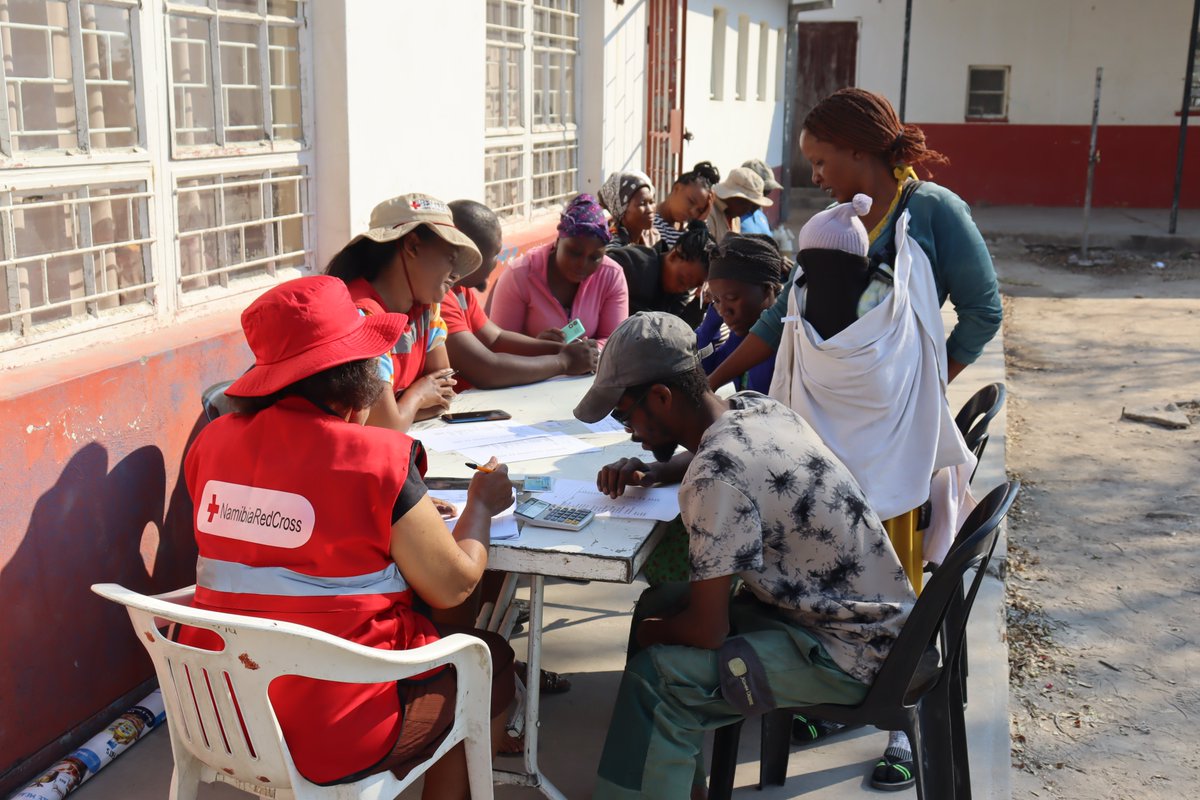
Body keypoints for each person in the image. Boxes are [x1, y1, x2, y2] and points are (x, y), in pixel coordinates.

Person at [708, 86, 1000, 789]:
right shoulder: (837, 221)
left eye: (821, 159)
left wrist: (924, 389)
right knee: (828, 573)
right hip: (831, 438)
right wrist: (709, 376)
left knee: (892, 581)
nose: (814, 175)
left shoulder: (932, 212)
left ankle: (899, 726)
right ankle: (833, 686)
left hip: (893, 441)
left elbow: (982, 312)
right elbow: (785, 314)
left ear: (860, 151)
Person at [179, 276, 517, 799]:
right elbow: (454, 585)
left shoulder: (210, 444)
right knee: (487, 659)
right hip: (335, 730)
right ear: (358, 374)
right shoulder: (378, 459)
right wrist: (480, 505)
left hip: (220, 713)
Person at [573, 312, 916, 800]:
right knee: (658, 606)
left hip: (854, 654)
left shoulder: (715, 480)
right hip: (877, 619)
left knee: (659, 676)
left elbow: (706, 631)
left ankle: (647, 775)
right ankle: (668, 782)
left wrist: (655, 636)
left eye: (624, 416)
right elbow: (710, 454)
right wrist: (654, 469)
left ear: (663, 397)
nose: (627, 431)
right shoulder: (756, 409)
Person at [325, 193, 483, 432]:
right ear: (412, 246)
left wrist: (402, 410)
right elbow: (388, 425)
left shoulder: (427, 309)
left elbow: (443, 398)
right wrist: (419, 394)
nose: (455, 275)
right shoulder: (361, 316)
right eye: (450, 259)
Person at [440, 200, 599, 391]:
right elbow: (486, 369)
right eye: (494, 255)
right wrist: (563, 361)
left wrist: (560, 350)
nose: (495, 263)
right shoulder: (441, 298)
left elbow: (496, 338)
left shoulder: (460, 289)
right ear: (470, 254)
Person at [488, 194, 629, 346]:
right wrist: (536, 347)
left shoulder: (611, 276)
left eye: (594, 257)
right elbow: (499, 345)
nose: (582, 264)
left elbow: (614, 342)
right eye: (574, 252)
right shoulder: (519, 275)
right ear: (558, 240)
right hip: (531, 369)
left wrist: (593, 351)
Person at [695, 234, 784, 394]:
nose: (723, 311)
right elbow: (701, 372)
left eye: (731, 298)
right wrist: (710, 324)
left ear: (767, 288)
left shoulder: (786, 341)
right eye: (716, 300)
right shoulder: (740, 336)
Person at [606, 220, 712, 327]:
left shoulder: (678, 295)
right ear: (673, 256)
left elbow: (675, 334)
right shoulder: (630, 264)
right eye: (682, 281)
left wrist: (698, 303)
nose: (683, 289)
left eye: (691, 287)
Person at [653, 161, 720, 247]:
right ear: (677, 188)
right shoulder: (651, 223)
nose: (693, 212)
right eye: (691, 201)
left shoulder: (687, 231)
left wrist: (699, 224)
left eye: (699, 210)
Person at [706, 166, 774, 242]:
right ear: (737, 199)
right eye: (748, 205)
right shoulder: (708, 212)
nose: (748, 210)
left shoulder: (735, 217)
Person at [598, 170, 660, 247]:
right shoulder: (614, 248)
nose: (650, 210)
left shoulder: (653, 238)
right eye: (642, 204)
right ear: (622, 210)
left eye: (651, 202)